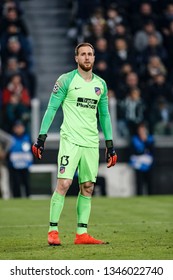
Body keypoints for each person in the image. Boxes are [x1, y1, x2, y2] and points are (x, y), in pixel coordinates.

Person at [32, 42, 117, 245]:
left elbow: (104, 115)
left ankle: (82, 234)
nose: (87, 57)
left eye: (90, 54)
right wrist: (41, 138)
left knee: (87, 187)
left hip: (90, 141)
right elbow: (51, 109)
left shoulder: (101, 85)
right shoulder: (65, 81)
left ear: (94, 58)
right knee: (64, 184)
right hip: (70, 140)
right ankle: (53, 231)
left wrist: (110, 144)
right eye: (83, 54)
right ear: (76, 58)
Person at [129, 122, 154, 195]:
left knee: (149, 182)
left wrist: (145, 141)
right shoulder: (134, 139)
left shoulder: (150, 139)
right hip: (139, 164)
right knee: (139, 182)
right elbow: (132, 152)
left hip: (148, 164)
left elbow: (152, 151)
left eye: (143, 130)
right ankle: (139, 196)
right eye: (140, 130)